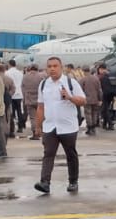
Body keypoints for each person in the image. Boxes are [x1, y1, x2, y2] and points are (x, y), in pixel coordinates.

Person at [34, 56, 86, 194]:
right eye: (49, 66)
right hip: (50, 126)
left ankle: (73, 181)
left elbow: (82, 101)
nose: (52, 69)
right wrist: (38, 126)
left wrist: (69, 97)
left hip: (68, 126)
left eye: (55, 66)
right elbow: (40, 106)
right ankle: (45, 182)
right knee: (48, 153)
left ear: (61, 67)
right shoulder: (43, 84)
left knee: (71, 154)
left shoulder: (71, 82)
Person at [81, 65, 103, 135]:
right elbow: (99, 90)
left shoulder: (83, 80)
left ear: (84, 71)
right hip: (95, 99)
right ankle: (93, 128)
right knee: (94, 113)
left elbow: (80, 90)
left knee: (88, 114)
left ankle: (89, 128)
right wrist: (100, 99)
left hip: (87, 99)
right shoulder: (96, 79)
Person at [4, 60, 24, 134]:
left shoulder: (7, 73)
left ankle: (12, 128)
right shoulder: (20, 73)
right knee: (19, 111)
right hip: (19, 93)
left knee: (11, 112)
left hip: (11, 94)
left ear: (9, 64)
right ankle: (20, 127)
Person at [98, 64, 116, 129]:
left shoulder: (103, 77)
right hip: (112, 94)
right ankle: (105, 124)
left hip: (105, 95)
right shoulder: (111, 75)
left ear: (101, 69)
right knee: (106, 109)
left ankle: (110, 124)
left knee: (105, 110)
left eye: (99, 70)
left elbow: (101, 87)